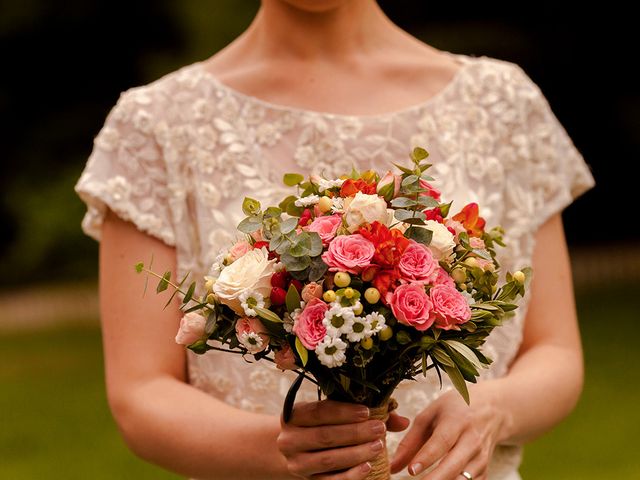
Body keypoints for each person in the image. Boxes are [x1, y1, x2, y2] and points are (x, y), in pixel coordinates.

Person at [75, 1, 595, 479]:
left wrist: (491, 409)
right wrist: (286, 449)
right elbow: (141, 394)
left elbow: (555, 352)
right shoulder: (156, 125)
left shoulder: (502, 103)